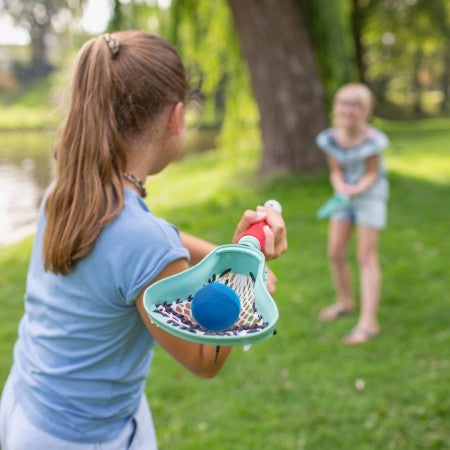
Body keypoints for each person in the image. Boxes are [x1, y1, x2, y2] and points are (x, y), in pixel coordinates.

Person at [0, 31, 287, 449]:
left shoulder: (66, 192)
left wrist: (217, 254)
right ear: (175, 117)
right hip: (85, 437)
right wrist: (241, 273)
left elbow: (144, 241)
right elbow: (204, 360)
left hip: (28, 404)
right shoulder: (144, 242)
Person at [316, 82, 389, 346]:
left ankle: (369, 322)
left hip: (370, 196)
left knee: (365, 256)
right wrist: (341, 187)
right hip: (344, 194)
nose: (349, 110)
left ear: (366, 111)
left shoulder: (373, 141)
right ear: (336, 107)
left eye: (356, 105)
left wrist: (357, 189)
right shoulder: (330, 138)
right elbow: (335, 170)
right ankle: (345, 303)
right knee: (335, 251)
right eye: (344, 103)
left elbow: (372, 172)